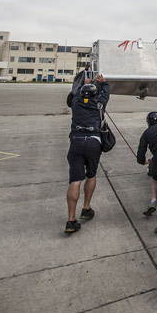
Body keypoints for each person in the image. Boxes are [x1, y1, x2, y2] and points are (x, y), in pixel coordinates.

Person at [65, 74, 110, 234]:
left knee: (75, 180)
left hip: (76, 142)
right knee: (91, 175)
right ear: (94, 95)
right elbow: (106, 92)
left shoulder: (76, 103)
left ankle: (71, 220)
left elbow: (73, 95)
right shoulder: (99, 104)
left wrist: (85, 84)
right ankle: (86, 208)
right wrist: (101, 83)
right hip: (93, 142)